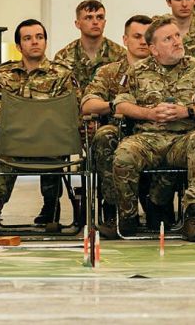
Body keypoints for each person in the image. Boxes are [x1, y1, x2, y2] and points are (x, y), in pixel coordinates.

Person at [111, 16, 195, 242]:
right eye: (168, 38)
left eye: (177, 36)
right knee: (124, 153)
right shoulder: (137, 71)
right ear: (153, 49)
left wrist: (186, 112)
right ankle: (128, 217)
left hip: (183, 138)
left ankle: (193, 217)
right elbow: (120, 105)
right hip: (147, 139)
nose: (176, 42)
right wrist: (148, 113)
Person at [0, 19, 78, 236]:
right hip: (13, 140)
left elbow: (72, 107)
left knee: (52, 151)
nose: (35, 42)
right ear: (19, 46)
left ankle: (51, 207)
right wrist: (9, 114)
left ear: (45, 42)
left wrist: (33, 116)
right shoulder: (1, 75)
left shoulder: (62, 75)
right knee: (7, 155)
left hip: (49, 141)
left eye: (39, 37)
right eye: (28, 38)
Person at [48, 0, 125, 224]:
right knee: (48, 141)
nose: (95, 22)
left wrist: (100, 120)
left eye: (99, 17)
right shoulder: (64, 57)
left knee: (107, 141)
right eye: (89, 18)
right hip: (73, 121)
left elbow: (123, 94)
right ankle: (50, 204)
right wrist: (81, 120)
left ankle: (110, 204)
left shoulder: (119, 55)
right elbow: (59, 95)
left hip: (109, 120)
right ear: (77, 23)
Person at [80, 15, 153, 238]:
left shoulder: (165, 69)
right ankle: (114, 209)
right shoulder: (109, 72)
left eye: (147, 37)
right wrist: (116, 105)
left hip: (154, 134)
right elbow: (87, 104)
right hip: (119, 132)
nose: (142, 42)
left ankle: (157, 206)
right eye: (137, 36)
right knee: (104, 135)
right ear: (124, 39)